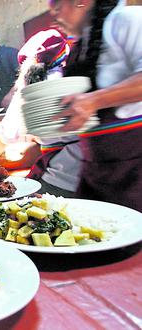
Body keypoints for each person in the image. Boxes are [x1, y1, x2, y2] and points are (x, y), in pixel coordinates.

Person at [49, 0, 142, 211]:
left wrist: (94, 100)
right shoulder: (79, 48)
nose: (53, 16)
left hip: (135, 171)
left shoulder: (127, 20)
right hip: (97, 172)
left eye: (56, 7)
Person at [0, 29, 81, 198]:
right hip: (98, 173)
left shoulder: (30, 89)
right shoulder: (79, 77)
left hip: (64, 177)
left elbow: (7, 134)